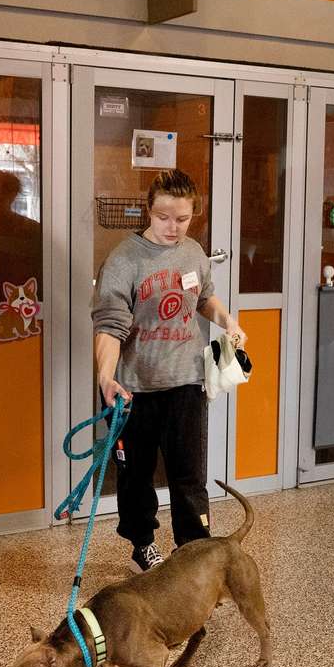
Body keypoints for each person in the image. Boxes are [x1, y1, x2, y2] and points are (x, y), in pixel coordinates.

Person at [92, 169, 247, 572]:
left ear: (193, 215)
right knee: (136, 476)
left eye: (182, 219)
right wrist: (106, 377)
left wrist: (228, 322)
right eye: (163, 217)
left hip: (186, 382)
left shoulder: (193, 252)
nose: (172, 227)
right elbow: (109, 326)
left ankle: (194, 554)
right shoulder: (123, 260)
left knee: (189, 475)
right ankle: (142, 546)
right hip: (134, 388)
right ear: (149, 210)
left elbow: (204, 298)